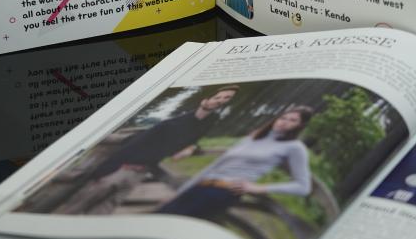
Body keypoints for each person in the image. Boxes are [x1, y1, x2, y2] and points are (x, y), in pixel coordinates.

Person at [48, 85, 240, 214]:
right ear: (206, 99)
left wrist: (192, 147)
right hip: (119, 168)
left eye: (227, 98)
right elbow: (137, 142)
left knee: (100, 214)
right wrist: (108, 169)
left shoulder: (205, 124)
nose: (221, 100)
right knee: (75, 208)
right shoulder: (178, 122)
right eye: (218, 97)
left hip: (138, 174)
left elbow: (193, 137)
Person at [157, 106, 315, 219]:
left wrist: (258, 188)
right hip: (201, 186)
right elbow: (215, 165)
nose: (284, 122)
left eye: (293, 120)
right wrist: (179, 194)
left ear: (300, 125)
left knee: (175, 227)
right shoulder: (253, 138)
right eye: (283, 117)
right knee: (159, 217)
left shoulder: (295, 147)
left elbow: (303, 187)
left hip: (222, 193)